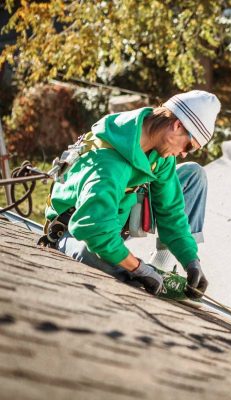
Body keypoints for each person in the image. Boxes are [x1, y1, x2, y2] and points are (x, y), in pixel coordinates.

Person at [44, 90, 221, 299]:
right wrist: (139, 269)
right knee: (89, 253)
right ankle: (139, 273)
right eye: (189, 146)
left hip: (115, 221)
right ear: (177, 125)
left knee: (193, 174)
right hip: (74, 231)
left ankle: (156, 268)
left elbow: (170, 211)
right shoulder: (108, 162)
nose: (183, 153)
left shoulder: (160, 153)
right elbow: (95, 230)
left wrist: (191, 260)